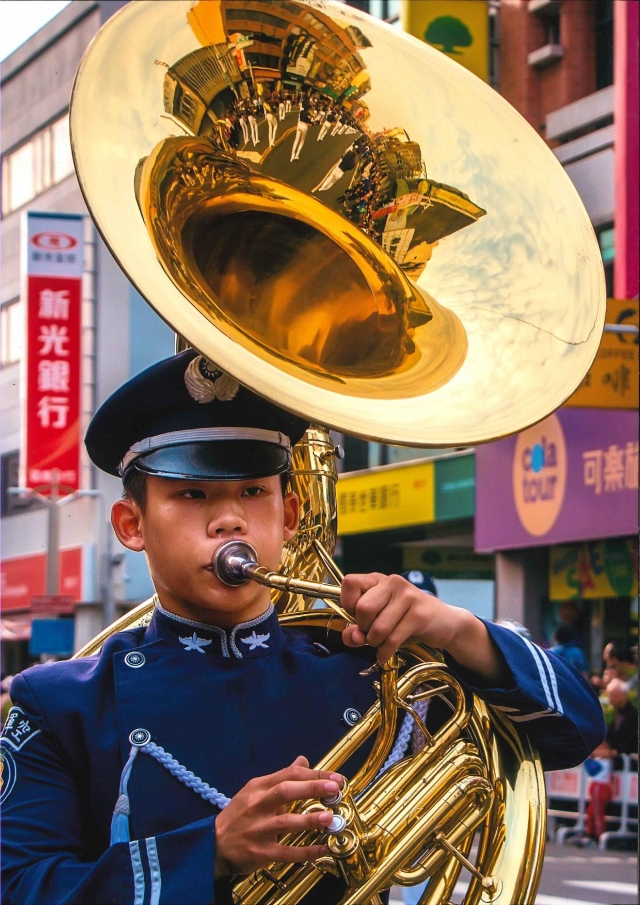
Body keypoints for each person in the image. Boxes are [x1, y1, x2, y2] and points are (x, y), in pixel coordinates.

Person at [1, 351, 605, 905]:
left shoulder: (373, 670)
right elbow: (19, 886)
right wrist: (208, 852)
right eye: (192, 495)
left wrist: (456, 629)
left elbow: (575, 730)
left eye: (254, 491)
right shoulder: (59, 704)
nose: (230, 518)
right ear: (131, 525)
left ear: (288, 515)